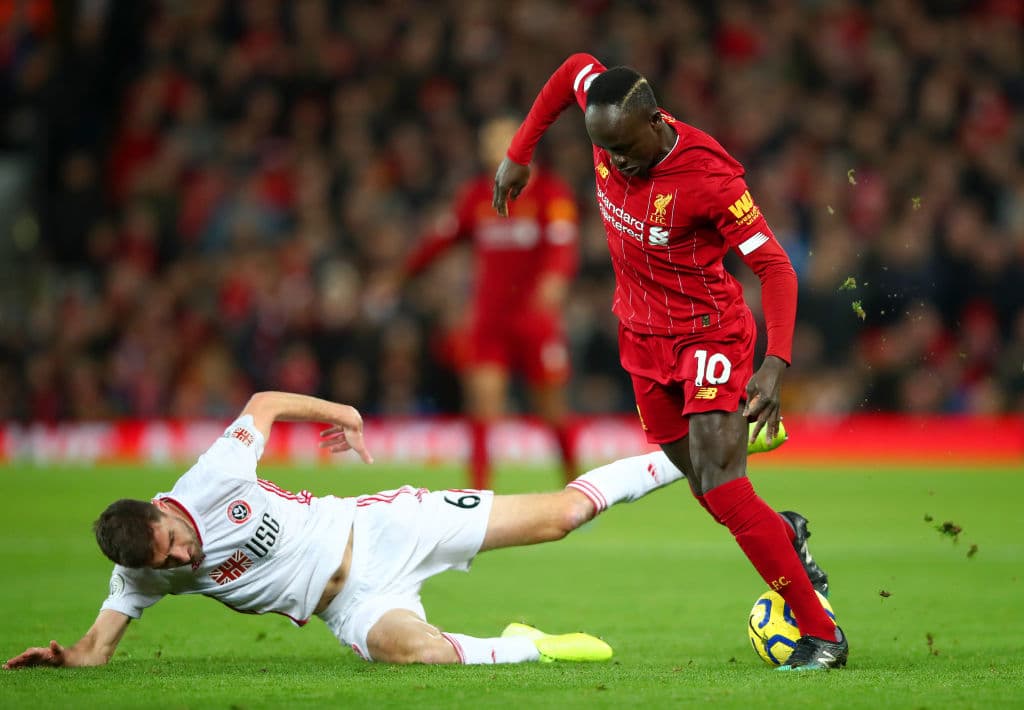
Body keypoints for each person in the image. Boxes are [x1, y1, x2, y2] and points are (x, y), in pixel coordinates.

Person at [4, 390, 789, 670]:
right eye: (170, 561)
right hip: (349, 606)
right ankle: (530, 646)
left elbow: (264, 403)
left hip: (383, 531)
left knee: (561, 517)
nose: (184, 556)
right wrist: (66, 657)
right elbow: (99, 649)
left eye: (174, 539)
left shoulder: (207, 481)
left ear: (163, 508)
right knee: (410, 655)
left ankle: (708, 448)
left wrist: (341, 414)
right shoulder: (140, 572)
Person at [492, 54, 847, 671]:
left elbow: (775, 267)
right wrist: (521, 151)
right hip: (641, 338)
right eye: (604, 151)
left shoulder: (710, 177)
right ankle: (786, 535)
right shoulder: (607, 115)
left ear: (653, 120)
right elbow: (572, 68)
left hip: (707, 334)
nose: (617, 162)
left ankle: (823, 636)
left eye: (626, 148)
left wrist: (776, 362)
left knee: (723, 483)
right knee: (708, 491)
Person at [402, 117, 580, 490]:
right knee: (483, 408)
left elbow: (563, 246)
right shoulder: (475, 196)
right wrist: (403, 274)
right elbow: (441, 239)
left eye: (505, 140)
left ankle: (575, 485)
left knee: (552, 411)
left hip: (535, 321)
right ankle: (478, 496)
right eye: (490, 142)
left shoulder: (550, 193)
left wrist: (555, 279)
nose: (496, 149)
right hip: (490, 320)